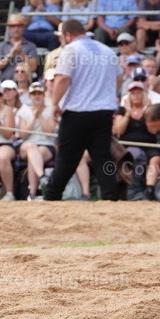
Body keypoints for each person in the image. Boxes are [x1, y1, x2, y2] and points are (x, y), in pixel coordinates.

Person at [44, 19, 120, 201]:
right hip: (103, 111)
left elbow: (62, 79)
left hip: (78, 112)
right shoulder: (107, 51)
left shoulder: (70, 50)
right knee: (102, 157)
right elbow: (119, 77)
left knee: (67, 159)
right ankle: (110, 198)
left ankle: (51, 196)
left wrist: (55, 104)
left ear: (68, 35)